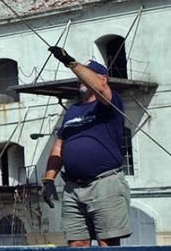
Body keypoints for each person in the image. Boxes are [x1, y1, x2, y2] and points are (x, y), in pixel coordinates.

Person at [43, 46, 132, 247]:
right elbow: (59, 146)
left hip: (104, 183)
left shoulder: (110, 104)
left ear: (103, 78)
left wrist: (71, 63)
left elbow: (100, 91)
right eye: (79, 75)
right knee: (77, 243)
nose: (80, 78)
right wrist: (48, 179)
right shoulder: (73, 111)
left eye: (86, 74)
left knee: (106, 242)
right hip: (73, 186)